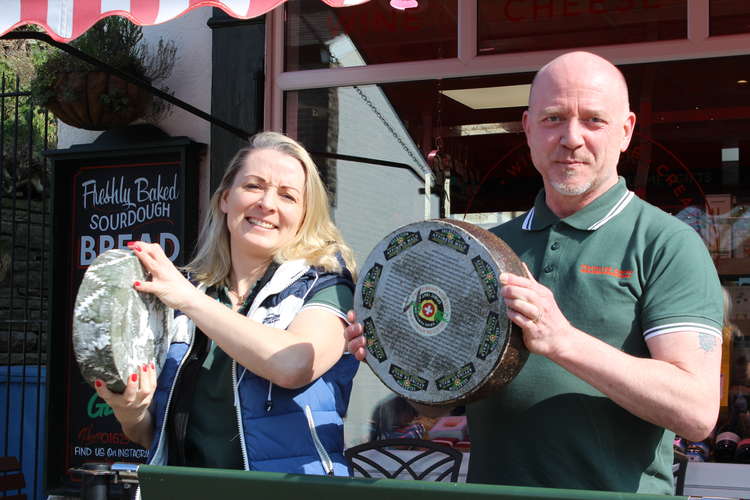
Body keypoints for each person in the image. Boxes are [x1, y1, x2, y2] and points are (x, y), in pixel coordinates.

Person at [345, 51, 723, 494]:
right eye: (553, 118)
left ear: (626, 131)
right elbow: (439, 405)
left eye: (594, 121)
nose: (571, 138)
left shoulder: (665, 244)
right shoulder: (479, 250)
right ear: (527, 129)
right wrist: (399, 353)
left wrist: (562, 341)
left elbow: (696, 412)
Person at [95, 131, 359, 476]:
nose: (267, 203)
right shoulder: (186, 297)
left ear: (305, 216)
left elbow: (294, 364)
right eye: (253, 186)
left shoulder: (328, 286)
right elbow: (152, 437)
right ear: (224, 199)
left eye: (288, 196)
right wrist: (130, 412)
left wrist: (189, 300)